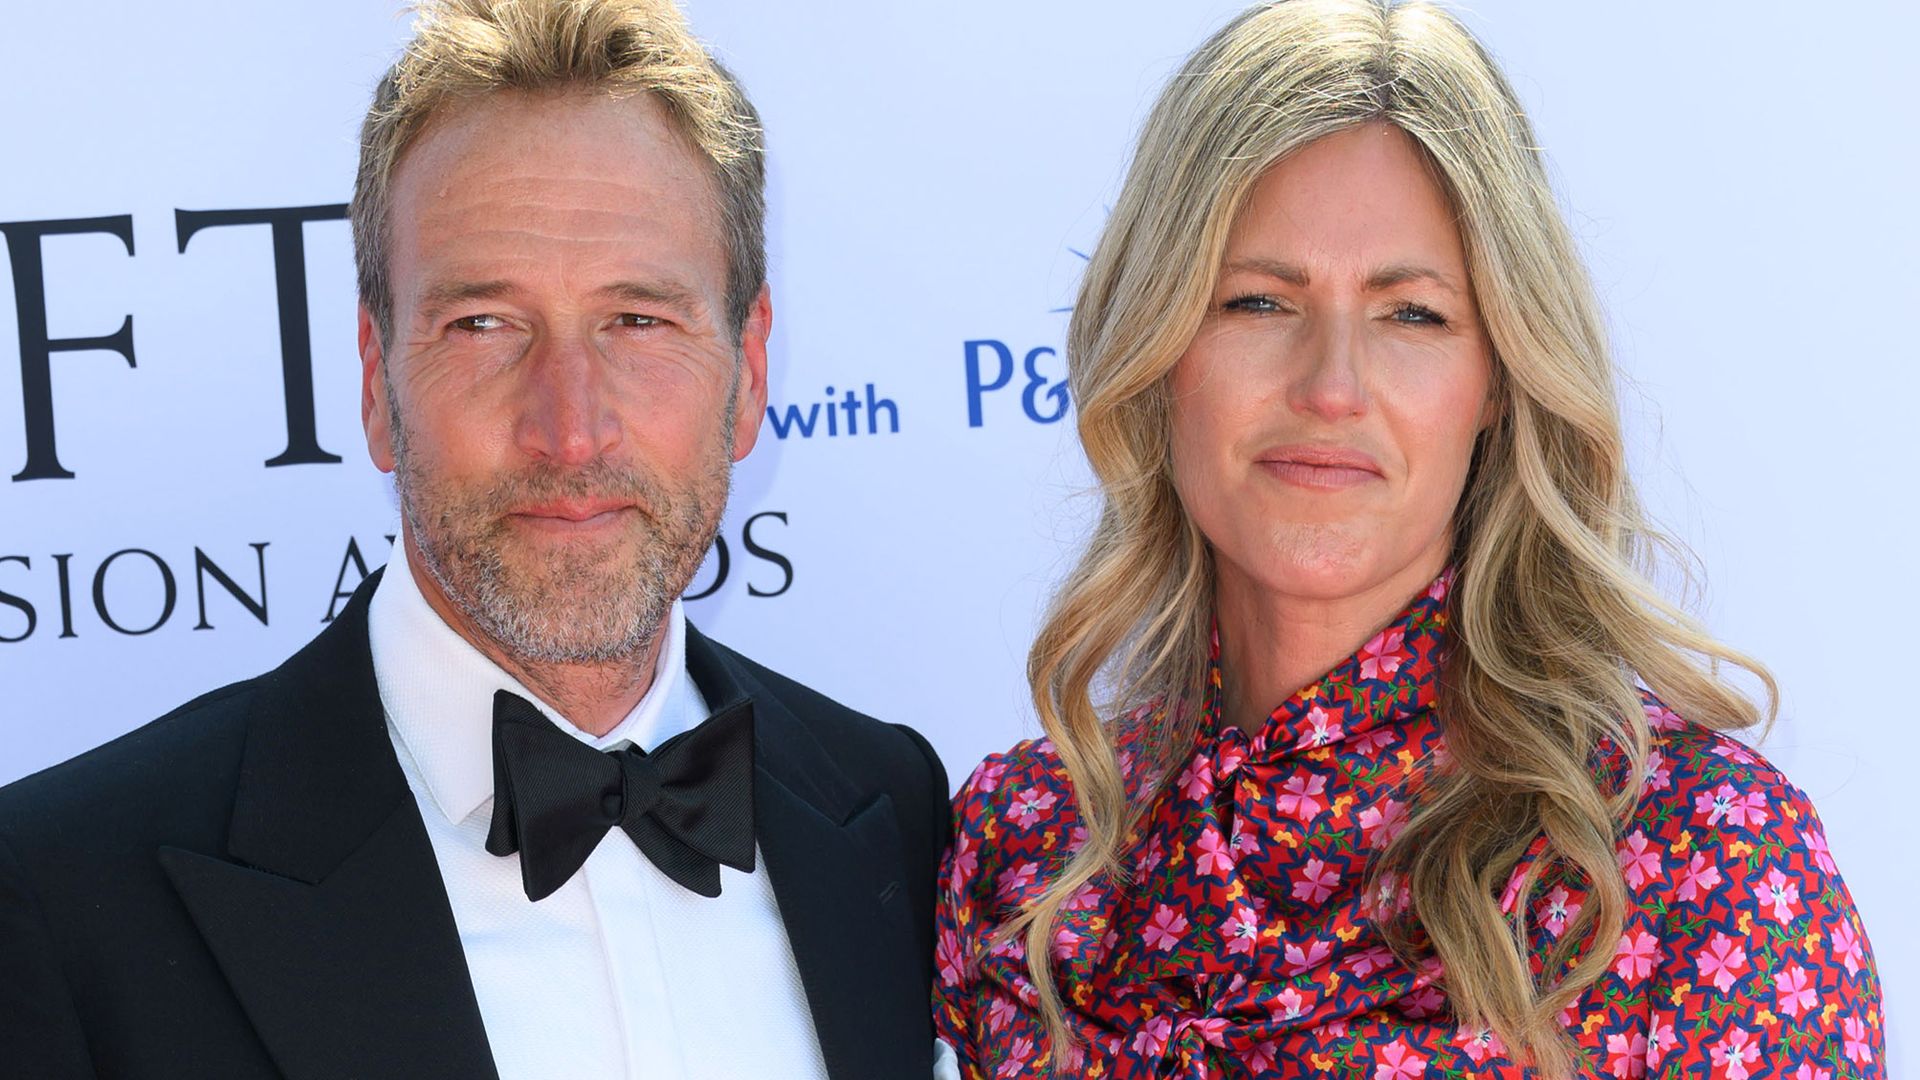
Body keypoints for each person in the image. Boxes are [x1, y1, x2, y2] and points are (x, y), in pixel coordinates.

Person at [933, 2, 1883, 1077]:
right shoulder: (1025, 846)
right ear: (1156, 348)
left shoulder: (1700, 855)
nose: (1332, 386)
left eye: (1413, 314)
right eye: (1257, 302)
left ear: (1498, 379)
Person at [0, 1, 948, 1077]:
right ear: (376, 381)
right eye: (484, 325)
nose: (571, 429)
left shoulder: (895, 814)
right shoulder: (66, 900)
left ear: (751, 370)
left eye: (639, 320)